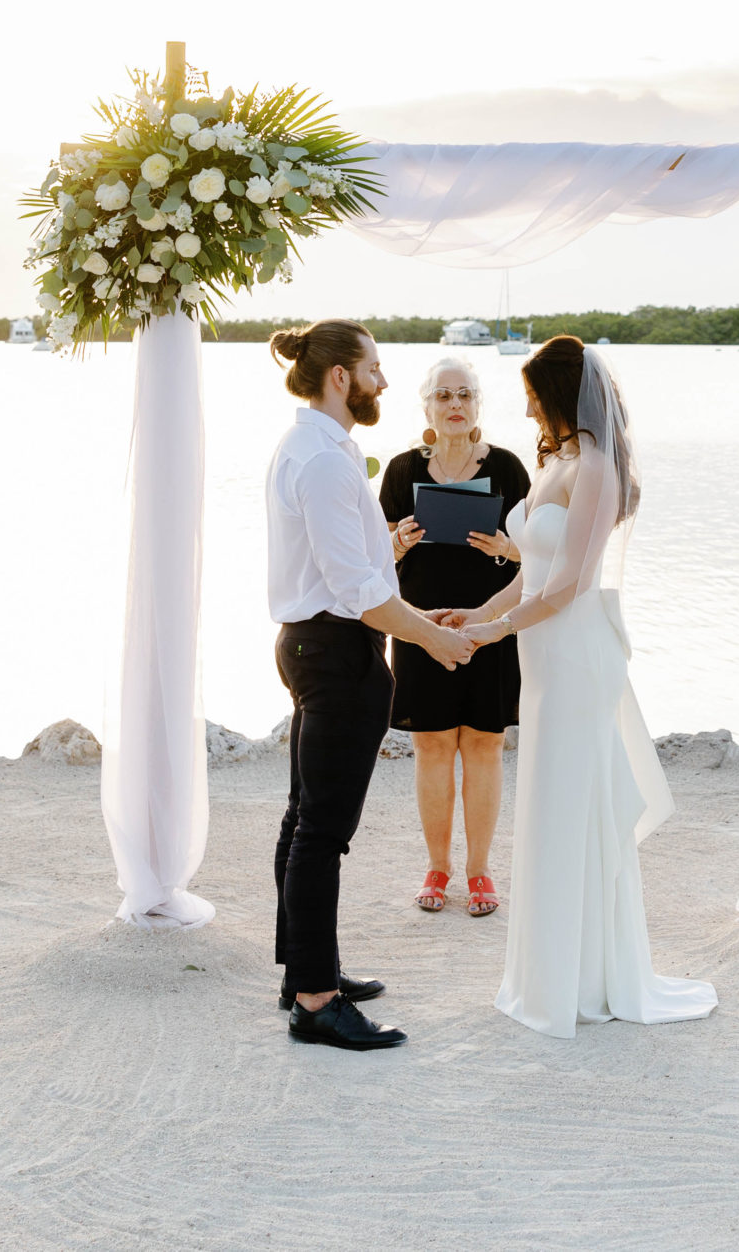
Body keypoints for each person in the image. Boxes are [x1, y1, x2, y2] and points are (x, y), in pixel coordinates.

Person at [444, 336, 717, 1040]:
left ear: (562, 395)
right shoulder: (559, 462)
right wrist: (473, 615)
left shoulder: (595, 467)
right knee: (548, 800)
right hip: (544, 656)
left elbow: (570, 585)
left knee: (573, 805)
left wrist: (496, 632)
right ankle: (548, 970)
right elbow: (533, 571)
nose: (528, 407)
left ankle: (583, 978)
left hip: (573, 653)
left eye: (535, 396)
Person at [264, 319, 476, 1052]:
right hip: (336, 652)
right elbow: (356, 592)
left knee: (304, 820)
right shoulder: (323, 460)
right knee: (322, 832)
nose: (384, 381)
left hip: (319, 642)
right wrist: (436, 637)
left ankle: (305, 973)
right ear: (339, 377)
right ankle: (317, 1001)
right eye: (375, 368)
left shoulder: (320, 448)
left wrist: (386, 552)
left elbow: (339, 565)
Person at [377, 355, 531, 918]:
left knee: (486, 745)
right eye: (443, 396)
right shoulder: (399, 471)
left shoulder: (511, 469)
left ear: (478, 406)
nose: (455, 405)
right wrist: (397, 542)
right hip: (419, 627)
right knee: (434, 745)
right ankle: (438, 866)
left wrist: (505, 547)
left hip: (490, 628)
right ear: (427, 407)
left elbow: (539, 556)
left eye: (464, 394)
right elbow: (374, 566)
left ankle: (480, 870)